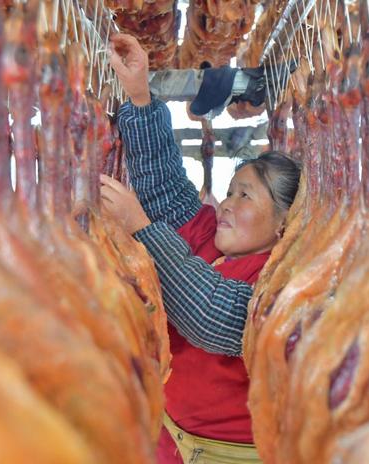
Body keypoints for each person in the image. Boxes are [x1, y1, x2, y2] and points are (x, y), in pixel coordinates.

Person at [101, 34, 301, 464]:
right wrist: (140, 95)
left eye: (245, 197)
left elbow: (213, 316)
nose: (226, 203)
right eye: (230, 192)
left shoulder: (286, 279)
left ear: (284, 221)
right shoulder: (209, 233)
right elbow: (165, 188)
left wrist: (141, 229)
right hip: (167, 439)